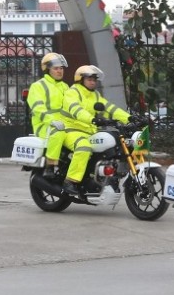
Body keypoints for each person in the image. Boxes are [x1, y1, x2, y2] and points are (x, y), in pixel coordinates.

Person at [59, 65, 129, 198]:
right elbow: (76, 110)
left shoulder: (95, 95)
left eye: (94, 79)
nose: (93, 82)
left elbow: (110, 108)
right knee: (84, 147)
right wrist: (93, 119)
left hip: (89, 131)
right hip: (71, 130)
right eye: (89, 79)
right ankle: (70, 181)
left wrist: (129, 118)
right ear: (81, 80)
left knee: (111, 147)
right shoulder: (73, 92)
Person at [28, 52, 71, 172]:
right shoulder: (38, 86)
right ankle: (50, 166)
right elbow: (38, 108)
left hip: (64, 124)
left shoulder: (65, 86)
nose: (59, 71)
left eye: (61, 68)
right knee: (58, 132)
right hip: (44, 126)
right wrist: (52, 121)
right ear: (48, 70)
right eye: (56, 68)